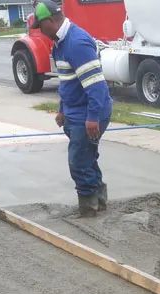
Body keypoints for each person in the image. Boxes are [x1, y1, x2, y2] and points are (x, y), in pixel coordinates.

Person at [35, 0, 113, 217]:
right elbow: (67, 81)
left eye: (40, 26)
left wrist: (93, 117)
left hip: (88, 113)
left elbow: (96, 85)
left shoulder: (76, 43)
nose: (40, 32)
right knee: (87, 158)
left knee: (78, 162)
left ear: (50, 21)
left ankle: (88, 208)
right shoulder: (60, 43)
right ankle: (99, 202)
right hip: (75, 112)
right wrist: (62, 109)